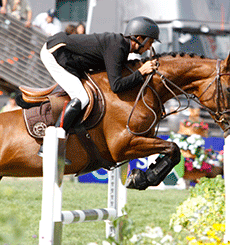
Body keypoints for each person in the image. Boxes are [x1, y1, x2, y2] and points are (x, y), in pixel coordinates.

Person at [37, 16, 159, 156]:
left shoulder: (121, 46)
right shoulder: (118, 46)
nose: (150, 47)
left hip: (67, 55)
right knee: (82, 98)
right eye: (150, 42)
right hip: (55, 53)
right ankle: (50, 145)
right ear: (139, 37)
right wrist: (141, 72)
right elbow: (116, 86)